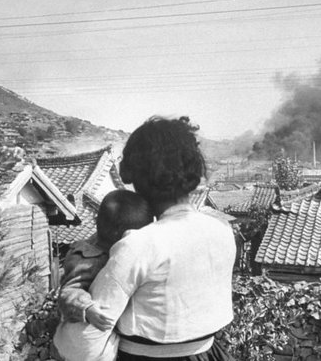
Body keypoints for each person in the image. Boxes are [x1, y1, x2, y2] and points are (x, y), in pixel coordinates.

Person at [57, 116, 236, 361]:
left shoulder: (138, 245)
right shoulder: (222, 230)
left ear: (138, 179)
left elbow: (88, 336)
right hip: (210, 354)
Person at [53, 189, 153, 361]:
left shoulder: (109, 242)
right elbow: (69, 291)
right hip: (83, 335)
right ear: (124, 235)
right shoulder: (87, 258)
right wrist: (87, 308)